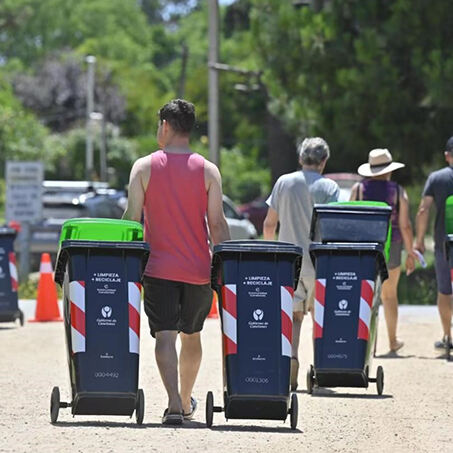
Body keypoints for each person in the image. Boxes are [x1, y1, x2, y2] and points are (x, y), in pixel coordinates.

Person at [123, 99, 230, 425]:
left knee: (165, 336)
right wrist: (226, 267)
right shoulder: (208, 170)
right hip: (198, 270)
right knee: (192, 335)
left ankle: (171, 402)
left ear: (166, 126)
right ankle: (185, 401)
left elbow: (132, 221)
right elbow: (218, 225)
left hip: (158, 269)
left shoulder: (143, 167)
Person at [263, 137, 339, 390]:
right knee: (320, 318)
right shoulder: (330, 188)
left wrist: (270, 253)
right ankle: (318, 374)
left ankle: (292, 359)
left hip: (288, 261)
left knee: (294, 317)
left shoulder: (284, 182)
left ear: (300, 159)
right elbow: (333, 228)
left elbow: (269, 224)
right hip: (319, 262)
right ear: (324, 161)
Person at [351, 148, 416, 353]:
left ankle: (363, 343)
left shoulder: (358, 189)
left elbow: (350, 221)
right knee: (389, 296)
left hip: (364, 247)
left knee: (363, 296)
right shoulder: (398, 191)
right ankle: (392, 341)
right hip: (392, 247)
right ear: (389, 170)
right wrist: (411, 252)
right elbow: (405, 225)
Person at [415, 137, 453, 351]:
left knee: (445, 291)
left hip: (444, 243)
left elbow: (423, 210)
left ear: (447, 155)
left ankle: (448, 336)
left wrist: (419, 240)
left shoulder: (437, 178)